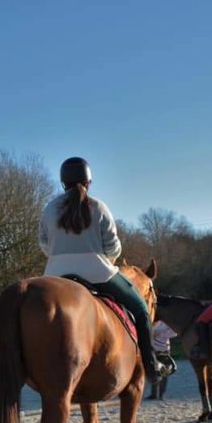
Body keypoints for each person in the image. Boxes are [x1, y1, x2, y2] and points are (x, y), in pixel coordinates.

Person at [39, 156, 161, 380]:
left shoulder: (50, 209)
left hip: (55, 275)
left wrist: (61, 254)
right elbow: (113, 247)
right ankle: (151, 364)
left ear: (63, 182)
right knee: (142, 310)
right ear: (89, 182)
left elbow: (44, 244)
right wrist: (102, 256)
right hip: (98, 272)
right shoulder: (99, 207)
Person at [146, 320, 178, 400]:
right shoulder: (152, 322)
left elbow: (174, 333)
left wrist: (161, 334)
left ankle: (161, 394)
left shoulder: (167, 322)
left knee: (164, 372)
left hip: (164, 350)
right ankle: (153, 394)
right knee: (154, 371)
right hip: (153, 349)